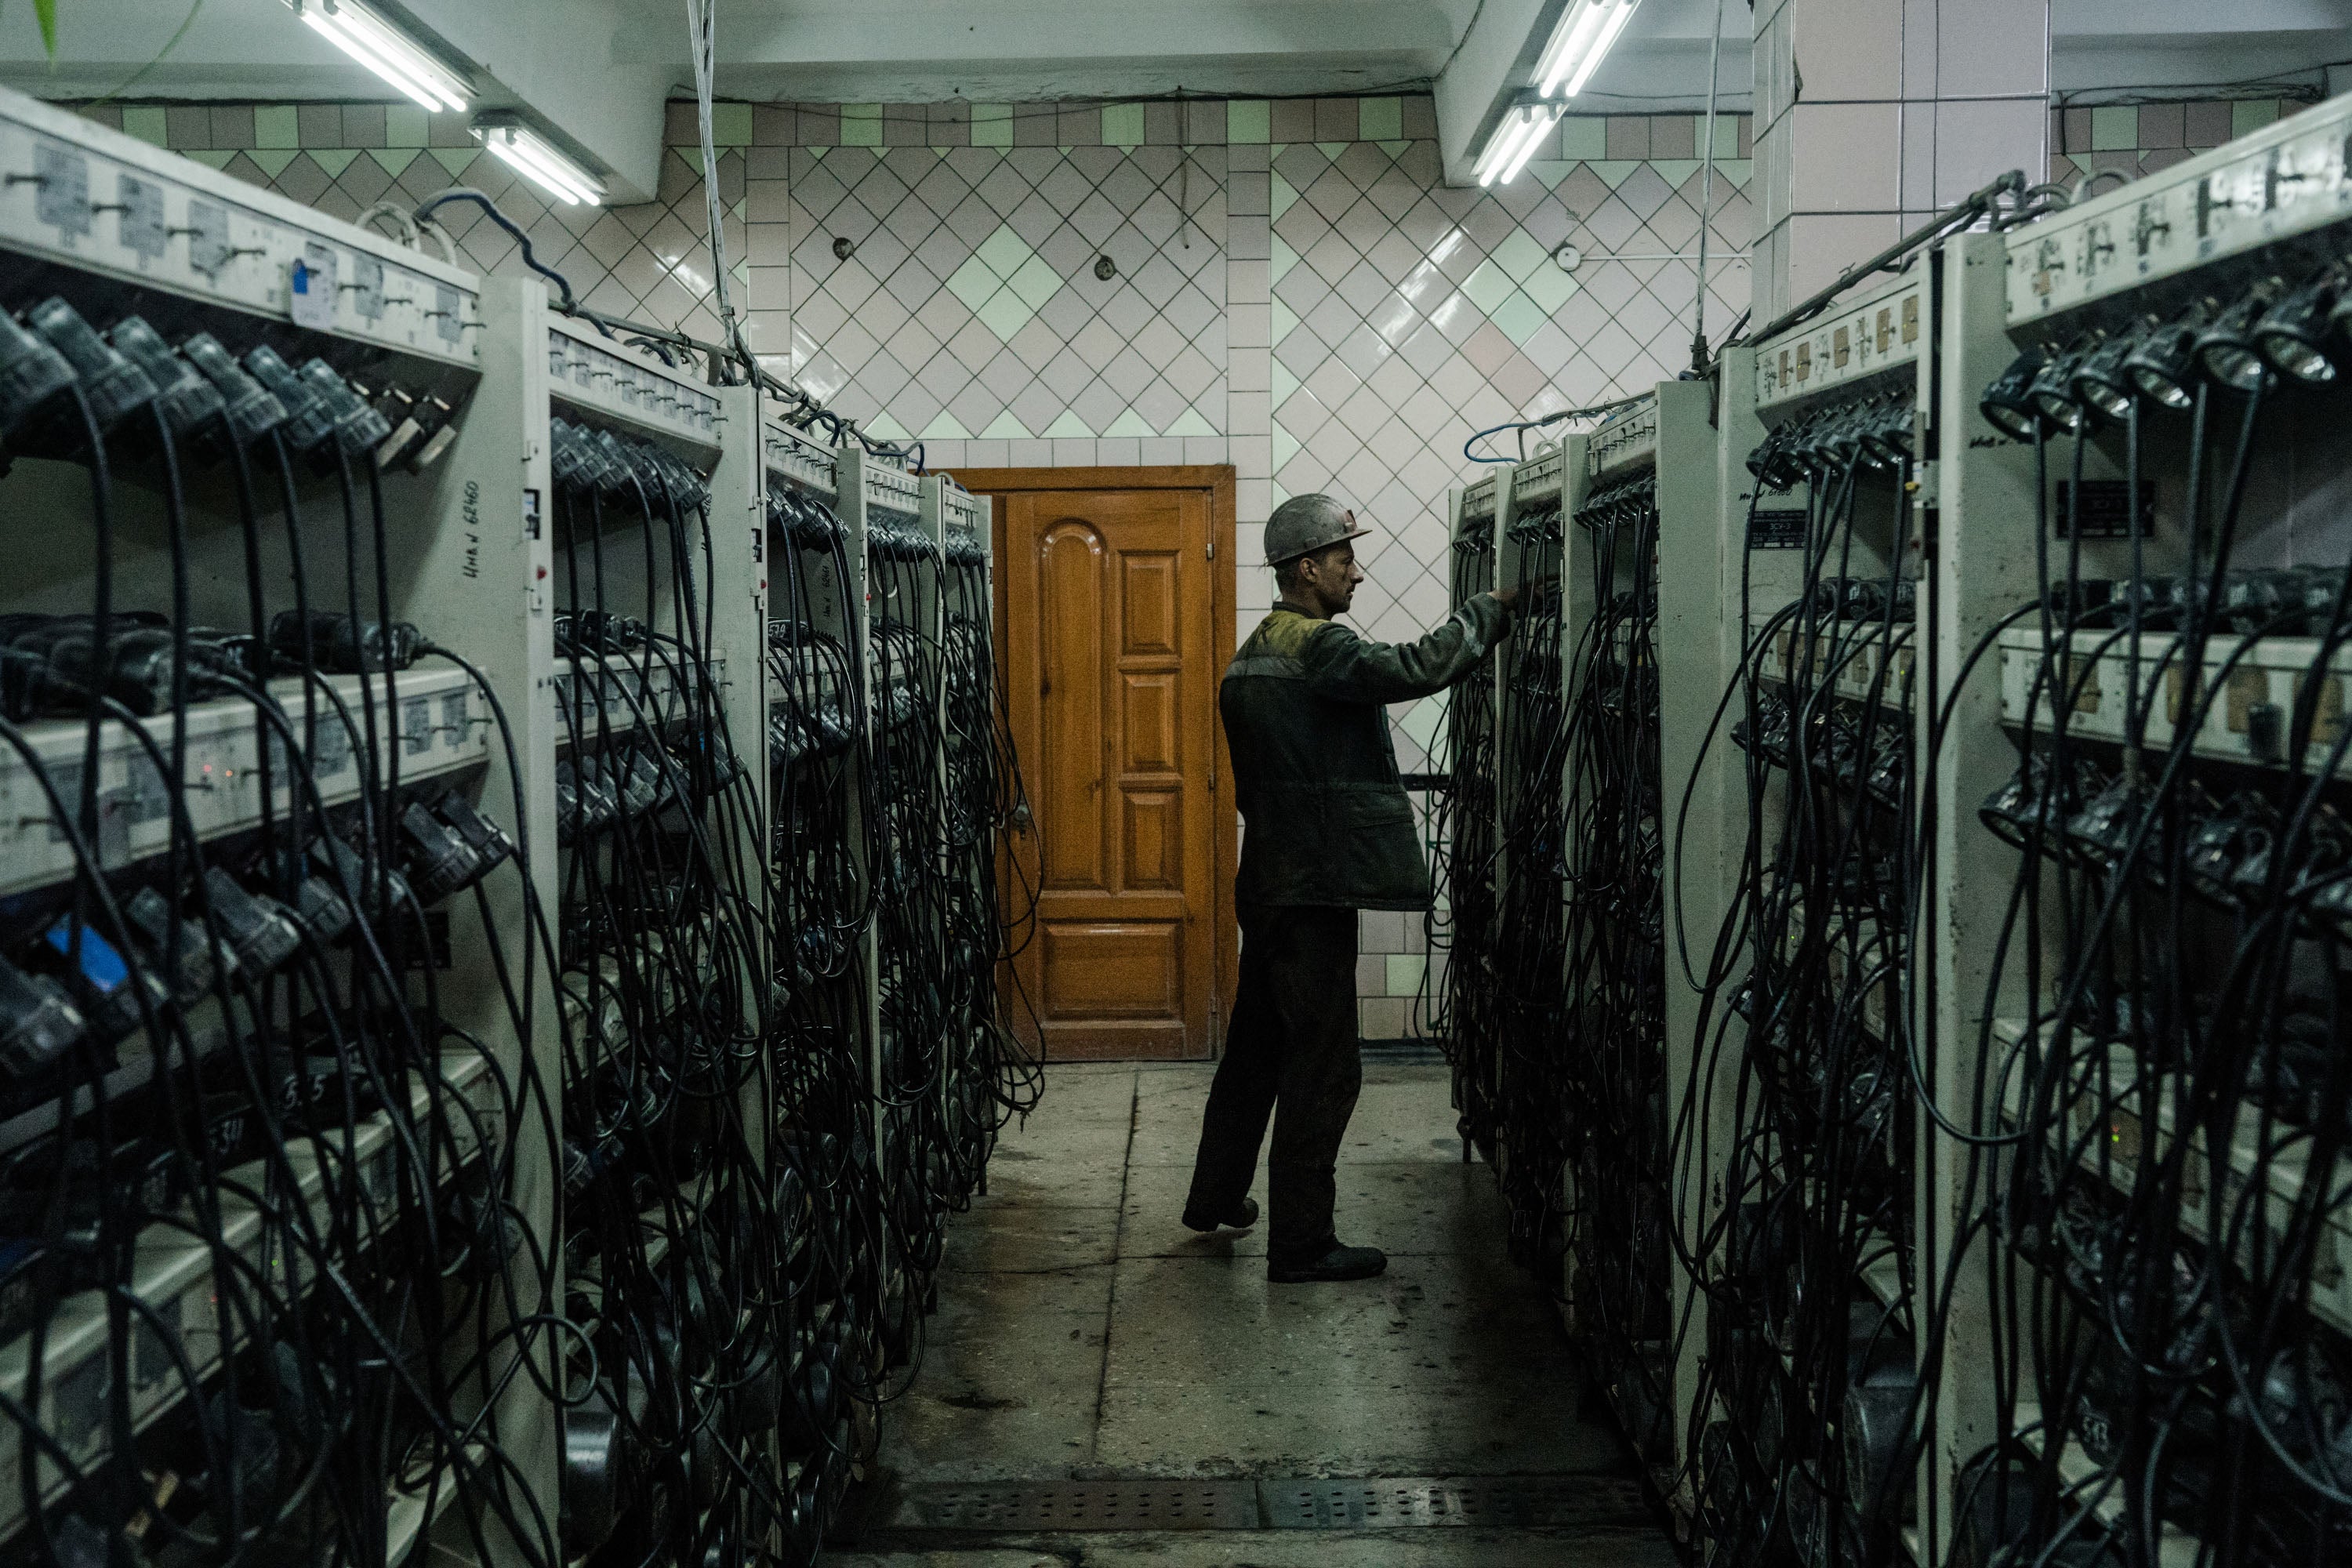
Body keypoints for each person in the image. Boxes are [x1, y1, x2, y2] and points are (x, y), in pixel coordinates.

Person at [1181, 492, 1531, 1283]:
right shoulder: (1320, 647)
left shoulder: (1254, 652)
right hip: (1312, 891)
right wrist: (1488, 613)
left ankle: (1215, 1195)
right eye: (1344, 560)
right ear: (1308, 568)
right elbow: (1415, 666)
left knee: (1257, 1050)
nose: (1356, 572)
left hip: (1269, 880)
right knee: (1325, 1064)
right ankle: (1303, 1242)